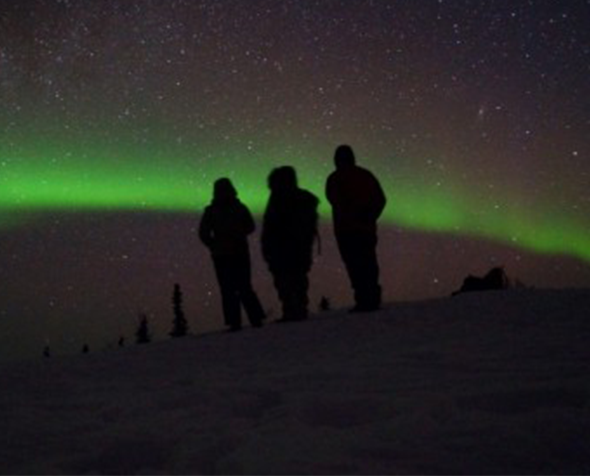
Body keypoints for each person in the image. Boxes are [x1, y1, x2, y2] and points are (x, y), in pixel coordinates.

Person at [199, 178, 266, 331]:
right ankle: (255, 319)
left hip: (225, 254)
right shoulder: (239, 208)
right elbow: (250, 226)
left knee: (229, 288)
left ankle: (236, 322)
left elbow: (203, 233)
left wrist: (214, 244)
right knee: (242, 286)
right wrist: (236, 236)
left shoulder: (213, 210)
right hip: (236, 252)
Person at [326, 145, 387, 312]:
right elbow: (380, 199)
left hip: (348, 231)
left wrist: (362, 215)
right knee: (367, 264)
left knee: (356, 266)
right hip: (362, 230)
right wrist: (370, 216)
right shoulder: (364, 176)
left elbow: (333, 200)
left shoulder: (334, 178)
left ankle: (365, 300)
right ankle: (370, 299)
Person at [262, 166, 319, 322]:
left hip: (287, 249)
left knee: (289, 280)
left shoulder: (281, 199)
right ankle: (296, 310)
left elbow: (271, 226)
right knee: (293, 280)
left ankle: (295, 311)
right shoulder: (300, 199)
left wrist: (268, 247)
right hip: (292, 249)